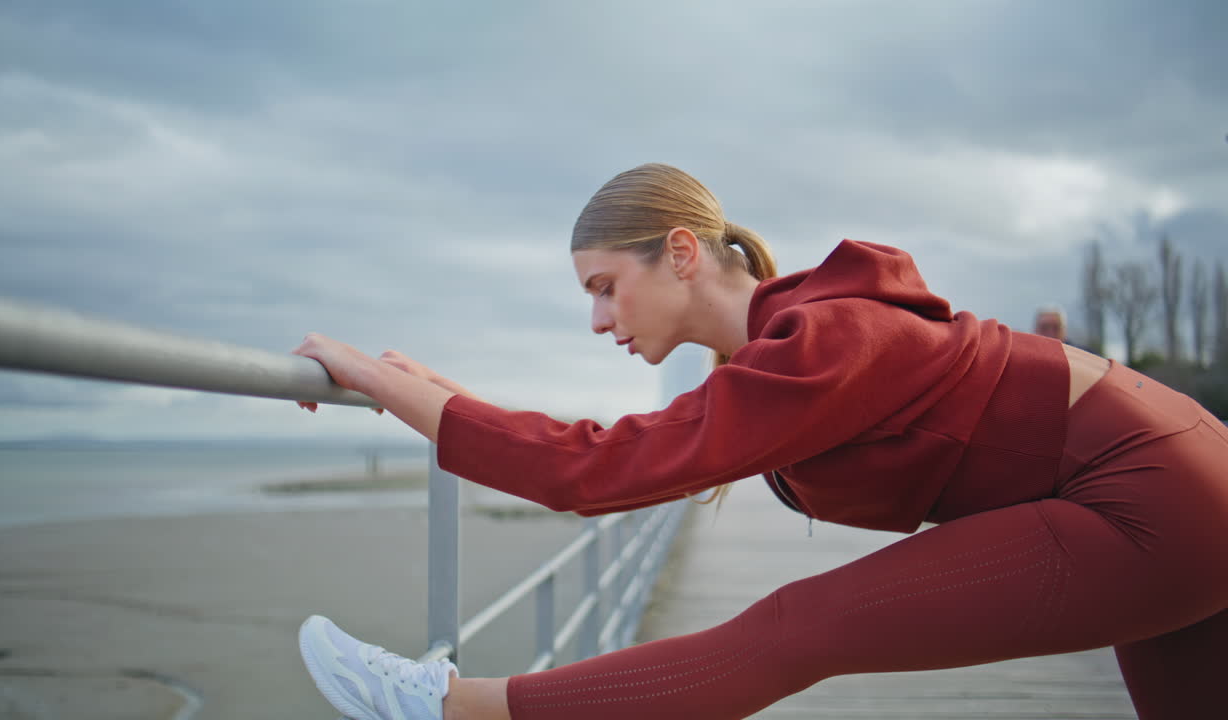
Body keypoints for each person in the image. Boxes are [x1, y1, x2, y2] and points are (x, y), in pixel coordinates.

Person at [291, 163, 1228, 720]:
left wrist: (379, 382)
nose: (597, 318)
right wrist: (419, 394)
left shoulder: (825, 340)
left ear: (683, 253)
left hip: (1149, 496)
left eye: (604, 286)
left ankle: (447, 707)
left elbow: (594, 468)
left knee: (797, 628)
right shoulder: (787, 349)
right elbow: (623, 443)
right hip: (1179, 477)